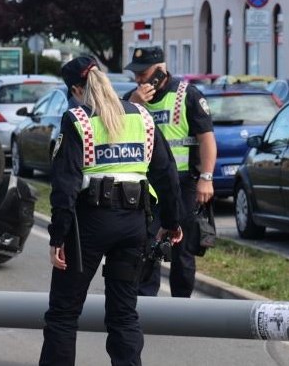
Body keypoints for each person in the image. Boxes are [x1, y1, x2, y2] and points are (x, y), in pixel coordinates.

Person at [41, 56, 183, 366]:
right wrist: (173, 223)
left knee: (63, 313)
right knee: (123, 313)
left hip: (90, 226)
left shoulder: (76, 119)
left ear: (77, 89)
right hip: (134, 226)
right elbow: (166, 174)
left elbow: (65, 185)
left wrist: (57, 237)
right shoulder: (143, 117)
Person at [124, 46, 217, 298]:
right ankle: (146, 302)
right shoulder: (131, 99)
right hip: (144, 185)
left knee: (181, 249)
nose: (139, 79)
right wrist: (133, 104)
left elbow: (207, 139)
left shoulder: (188, 95)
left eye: (144, 74)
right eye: (136, 74)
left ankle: (181, 307)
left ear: (160, 71)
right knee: (146, 244)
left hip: (182, 184)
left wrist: (206, 178)